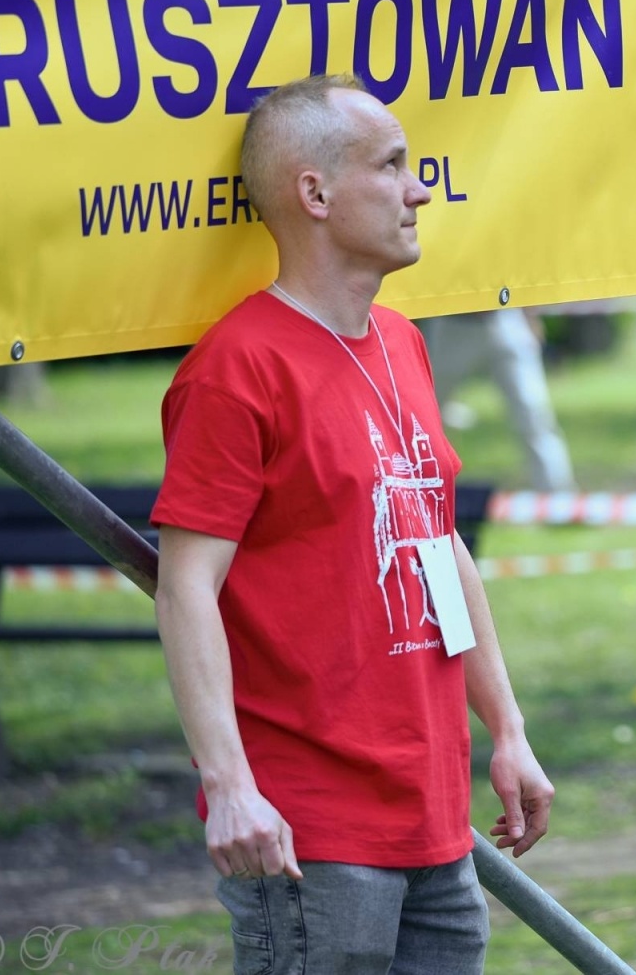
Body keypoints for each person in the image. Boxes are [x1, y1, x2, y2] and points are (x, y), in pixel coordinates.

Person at [152, 73, 554, 974]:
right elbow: (185, 587)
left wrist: (509, 730)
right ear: (316, 193)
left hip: (437, 818)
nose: (420, 189)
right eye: (394, 166)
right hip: (308, 830)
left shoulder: (402, 342)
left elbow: (437, 543)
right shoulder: (236, 368)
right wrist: (229, 788)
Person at [420, 308, 579, 493]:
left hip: (505, 317)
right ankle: (411, 492)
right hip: (453, 324)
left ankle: (558, 496)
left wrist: (530, 316)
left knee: (533, 414)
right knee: (422, 416)